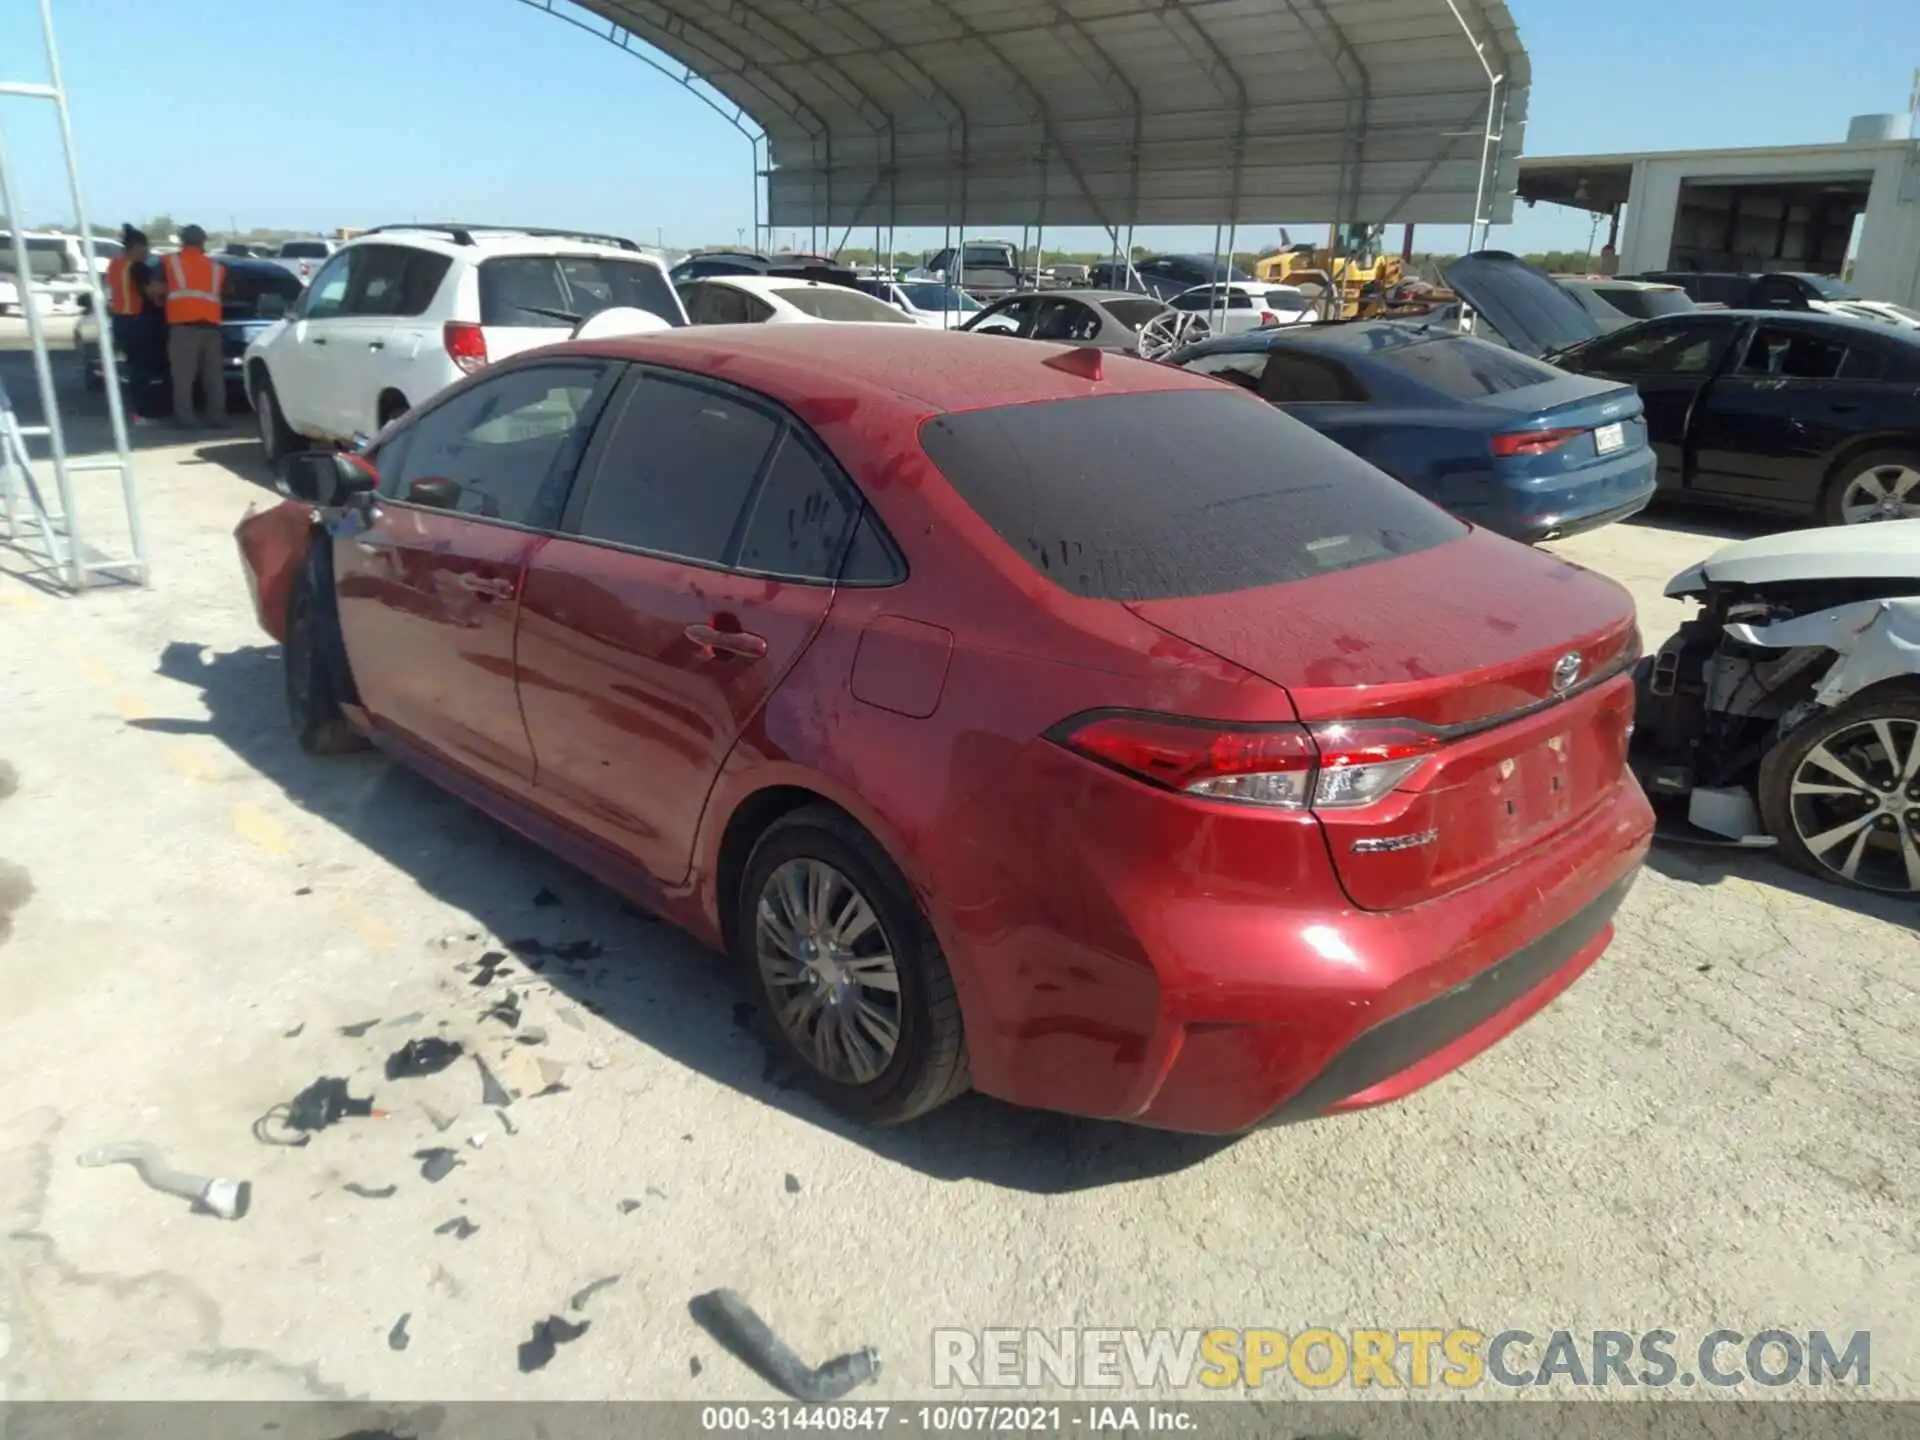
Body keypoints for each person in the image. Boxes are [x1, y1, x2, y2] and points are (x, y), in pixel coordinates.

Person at [162, 223, 227, 428]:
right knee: (214, 379)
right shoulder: (217, 269)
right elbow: (227, 293)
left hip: (184, 328)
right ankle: (217, 418)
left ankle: (185, 420)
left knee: (183, 378)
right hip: (212, 328)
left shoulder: (170, 262)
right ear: (203, 242)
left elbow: (153, 288)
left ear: (182, 241)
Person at [104, 225, 157, 426]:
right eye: (146, 247)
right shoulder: (138, 267)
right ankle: (140, 413)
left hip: (120, 321)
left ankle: (135, 411)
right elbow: (153, 291)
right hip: (137, 322)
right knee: (141, 370)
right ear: (136, 247)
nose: (148, 252)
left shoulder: (115, 265)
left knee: (134, 367)